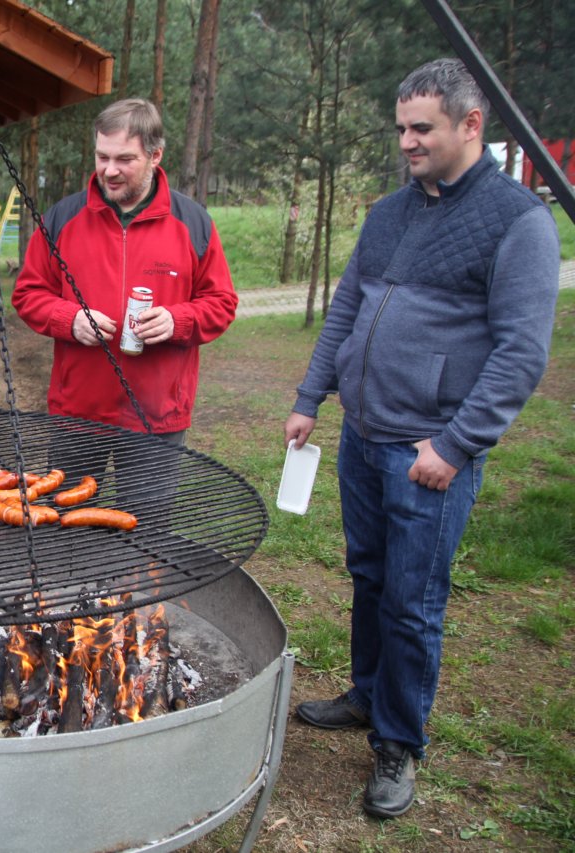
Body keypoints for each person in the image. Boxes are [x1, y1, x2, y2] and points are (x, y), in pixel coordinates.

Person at [284, 58, 559, 820]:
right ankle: (369, 693)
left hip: (426, 455)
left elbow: (520, 354)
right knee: (369, 577)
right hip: (362, 437)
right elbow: (347, 308)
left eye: (421, 129)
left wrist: (456, 444)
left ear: (471, 125)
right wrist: (311, 396)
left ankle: (399, 740)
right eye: (401, 127)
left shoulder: (518, 222)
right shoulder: (388, 213)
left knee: (412, 601)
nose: (406, 141)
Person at [11, 98, 237, 445]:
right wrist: (69, 319)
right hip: (78, 413)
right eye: (102, 157)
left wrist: (178, 321)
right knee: (68, 487)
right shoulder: (62, 218)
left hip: (158, 417)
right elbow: (28, 293)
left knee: (150, 488)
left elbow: (221, 302)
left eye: (125, 159)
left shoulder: (192, 223)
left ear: (155, 155)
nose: (110, 170)